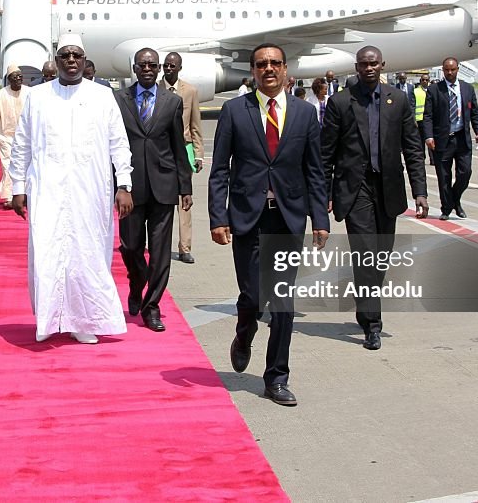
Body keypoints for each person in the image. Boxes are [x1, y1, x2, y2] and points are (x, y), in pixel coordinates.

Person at [209, 43, 329, 407]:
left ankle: (276, 377)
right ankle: (244, 332)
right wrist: (219, 217)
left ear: (286, 69)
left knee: (282, 302)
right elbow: (220, 171)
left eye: (275, 63)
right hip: (247, 217)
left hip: (287, 218)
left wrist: (319, 219)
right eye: (262, 64)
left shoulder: (306, 114)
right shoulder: (233, 111)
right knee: (251, 295)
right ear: (253, 71)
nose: (269, 69)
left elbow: (315, 170)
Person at [8, 41, 133, 345]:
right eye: (65, 56)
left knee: (87, 256)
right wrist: (18, 187)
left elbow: (119, 142)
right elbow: (22, 144)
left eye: (77, 55)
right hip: (46, 191)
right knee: (47, 255)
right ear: (57, 60)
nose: (71, 60)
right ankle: (48, 320)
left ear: (85, 60)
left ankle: (85, 320)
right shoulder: (37, 97)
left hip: (90, 191)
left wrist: (124, 184)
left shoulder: (102, 96)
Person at [321, 46, 429, 351]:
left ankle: (365, 303)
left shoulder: (398, 100)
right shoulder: (341, 102)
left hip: (388, 188)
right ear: (356, 67)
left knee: (381, 256)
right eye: (363, 64)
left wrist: (419, 191)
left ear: (382, 65)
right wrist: (325, 193)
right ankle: (372, 323)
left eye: (373, 64)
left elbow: (412, 149)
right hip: (355, 190)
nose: (368, 69)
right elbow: (325, 153)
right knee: (366, 252)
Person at [116, 48, 193, 332]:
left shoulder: (172, 102)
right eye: (142, 65)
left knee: (160, 254)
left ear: (159, 68)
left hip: (163, 186)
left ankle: (152, 307)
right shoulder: (118, 100)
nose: (147, 68)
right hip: (130, 188)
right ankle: (136, 284)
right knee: (131, 247)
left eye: (152, 64)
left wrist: (185, 186)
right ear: (134, 69)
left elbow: (178, 145)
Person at [423, 57, 478, 220]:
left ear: (458, 69)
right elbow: (427, 116)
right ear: (443, 70)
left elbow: (475, 113)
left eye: (452, 69)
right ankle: (446, 208)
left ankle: (454, 200)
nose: (449, 72)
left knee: (465, 173)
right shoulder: (434, 90)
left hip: (462, 138)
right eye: (446, 70)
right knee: (444, 176)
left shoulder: (467, 89)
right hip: (442, 140)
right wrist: (428, 136)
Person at [160, 51, 204, 264]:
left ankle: (185, 247)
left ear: (179, 68)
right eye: (166, 65)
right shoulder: (155, 89)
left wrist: (199, 154)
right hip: (161, 151)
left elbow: (196, 125)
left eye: (172, 66)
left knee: (184, 200)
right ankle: (159, 246)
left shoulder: (190, 91)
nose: (168, 69)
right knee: (161, 201)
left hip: (184, 149)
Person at [0, 65, 30, 208]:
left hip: (26, 136)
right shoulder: (0, 95)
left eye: (20, 76)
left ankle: (27, 195)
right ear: (8, 79)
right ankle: (9, 197)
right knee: (8, 166)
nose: (18, 78)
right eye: (14, 76)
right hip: (6, 136)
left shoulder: (30, 93)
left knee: (26, 166)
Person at [412, 73, 434, 166]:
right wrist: (413, 119)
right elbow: (412, 106)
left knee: (430, 140)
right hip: (419, 120)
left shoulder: (432, 91)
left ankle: (433, 160)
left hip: (429, 121)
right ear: (420, 81)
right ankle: (421, 159)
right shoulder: (415, 91)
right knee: (419, 142)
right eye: (423, 80)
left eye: (426, 80)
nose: (425, 81)